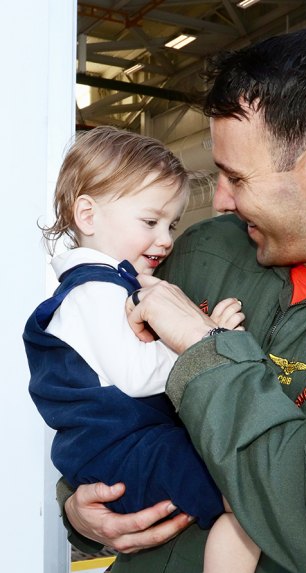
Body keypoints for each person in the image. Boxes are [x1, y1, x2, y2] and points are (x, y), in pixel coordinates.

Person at [58, 26, 306, 573]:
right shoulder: (205, 252)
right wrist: (80, 509)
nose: (220, 200)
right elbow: (111, 401)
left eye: (235, 177)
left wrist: (204, 348)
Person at [23, 126, 260, 573]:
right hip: (128, 449)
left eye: (171, 224)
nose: (167, 239)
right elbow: (138, 376)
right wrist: (208, 338)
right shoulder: (95, 291)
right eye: (150, 222)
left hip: (125, 448)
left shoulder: (107, 286)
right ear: (88, 216)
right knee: (247, 499)